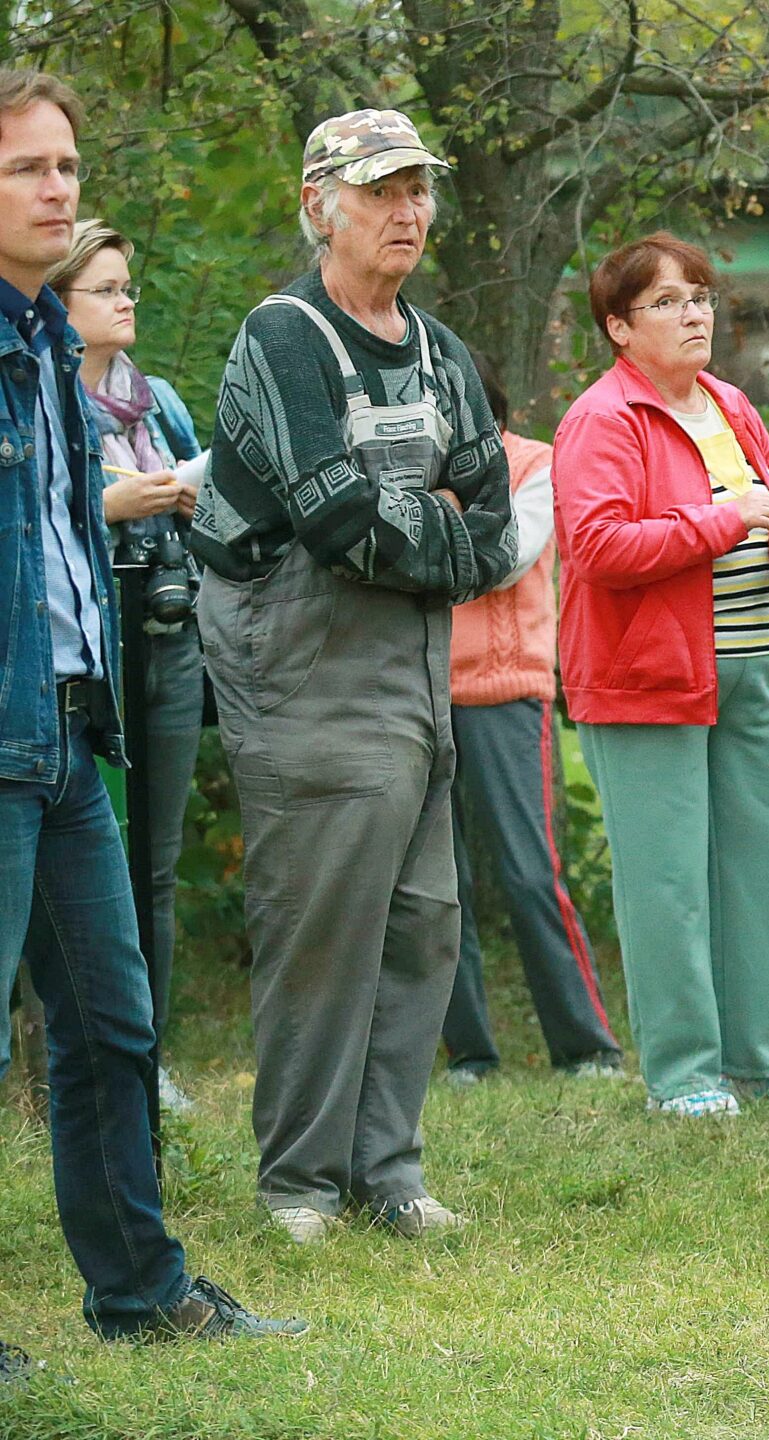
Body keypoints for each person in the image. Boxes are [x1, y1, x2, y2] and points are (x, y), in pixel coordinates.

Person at [0, 67, 302, 1360]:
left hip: (69, 730)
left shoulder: (52, 349)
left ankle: (139, 1291)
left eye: (66, 165)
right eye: (28, 168)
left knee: (115, 1024)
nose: (58, 188)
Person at [193, 108, 517, 1245]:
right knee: (324, 922)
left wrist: (431, 530)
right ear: (317, 205)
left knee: (423, 923)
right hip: (303, 660)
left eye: (418, 188)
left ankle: (388, 1175)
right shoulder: (286, 336)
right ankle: (299, 1185)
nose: (408, 211)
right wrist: (434, 525)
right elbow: (333, 527)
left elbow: (500, 527)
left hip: (414, 665)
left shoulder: (439, 348)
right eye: (382, 190)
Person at [551, 233, 769, 1120]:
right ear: (619, 328)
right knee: (667, 883)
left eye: (700, 294)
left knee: (765, 863)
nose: (694, 312)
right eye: (667, 301)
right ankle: (685, 1076)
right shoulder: (603, 419)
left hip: (748, 671)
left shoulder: (730, 404)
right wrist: (720, 520)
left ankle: (759, 1061)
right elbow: (597, 549)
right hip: (648, 680)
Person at [47, 218, 206, 1116]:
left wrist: (188, 494)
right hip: (85, 653)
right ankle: (68, 1061)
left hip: (170, 639)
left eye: (127, 287)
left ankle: (151, 1056)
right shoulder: (40, 395)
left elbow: (209, 504)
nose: (125, 301)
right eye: (106, 289)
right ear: (64, 304)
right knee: (75, 860)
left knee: (156, 857)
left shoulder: (161, 401)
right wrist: (113, 502)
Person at [438, 347, 623, 1084]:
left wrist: (432, 532)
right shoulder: (409, 472)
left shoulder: (537, 463)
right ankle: (469, 1054)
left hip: (506, 690)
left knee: (528, 872)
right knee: (436, 888)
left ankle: (587, 1046)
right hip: (419, 693)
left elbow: (509, 557)